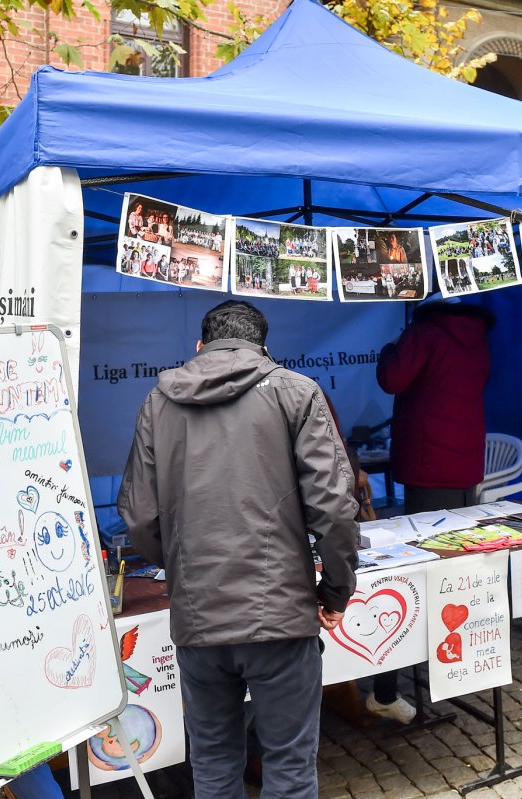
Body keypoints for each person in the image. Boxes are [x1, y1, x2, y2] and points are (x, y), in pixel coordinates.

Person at [119, 300, 360, 799]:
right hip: (279, 618)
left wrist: (185, 569)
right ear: (263, 347)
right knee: (290, 768)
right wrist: (335, 592)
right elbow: (335, 509)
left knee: (212, 764)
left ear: (199, 348)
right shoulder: (297, 393)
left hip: (200, 617)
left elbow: (139, 516)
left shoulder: (158, 402)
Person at [372, 297, 495, 723]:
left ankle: (397, 681)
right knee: (454, 567)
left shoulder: (421, 333)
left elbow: (392, 377)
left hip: (427, 464)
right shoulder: (477, 336)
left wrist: (390, 348)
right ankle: (453, 663)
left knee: (422, 570)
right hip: (463, 466)